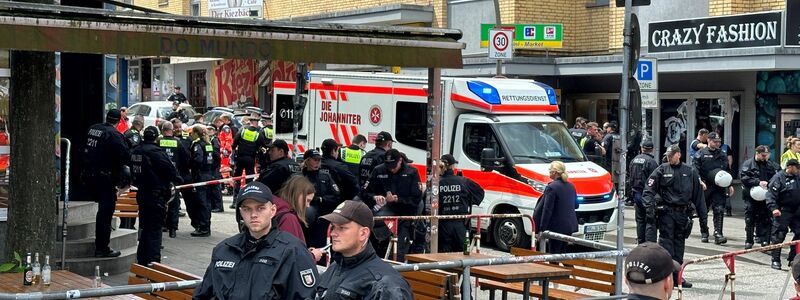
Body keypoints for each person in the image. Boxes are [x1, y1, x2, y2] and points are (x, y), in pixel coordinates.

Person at [194, 181, 319, 299]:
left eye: (260, 208)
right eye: (247, 209)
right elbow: (202, 294)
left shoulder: (293, 251)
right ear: (241, 212)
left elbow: (305, 296)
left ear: (273, 210)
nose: (253, 215)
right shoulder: (224, 250)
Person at [314, 200, 413, 299]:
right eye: (333, 227)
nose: (333, 233)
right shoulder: (335, 267)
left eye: (341, 228)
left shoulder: (386, 285)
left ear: (363, 233)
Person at [642, 144, 706, 288]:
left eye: (671, 155)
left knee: (679, 247)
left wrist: (704, 222)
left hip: (683, 214)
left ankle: (677, 277)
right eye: (668, 155)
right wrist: (650, 207)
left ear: (679, 154)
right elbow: (648, 190)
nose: (669, 158)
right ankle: (665, 276)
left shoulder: (690, 171)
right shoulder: (662, 169)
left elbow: (698, 197)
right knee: (666, 246)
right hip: (666, 214)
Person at [130, 126, 181, 265]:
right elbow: (170, 171)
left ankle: (142, 260)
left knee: (145, 228)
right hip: (155, 195)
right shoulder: (156, 152)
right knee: (154, 230)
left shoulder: (136, 150)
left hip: (142, 193)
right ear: (156, 137)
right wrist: (177, 179)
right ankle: (153, 262)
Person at [83, 109, 130, 258]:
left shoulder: (94, 129)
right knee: (105, 213)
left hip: (90, 175)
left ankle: (102, 246)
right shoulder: (114, 135)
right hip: (104, 178)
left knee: (103, 211)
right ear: (119, 121)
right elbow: (124, 156)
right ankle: (102, 247)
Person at [361, 149, 422, 261]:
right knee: (370, 227)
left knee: (400, 247)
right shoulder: (378, 170)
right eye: (388, 166)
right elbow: (364, 192)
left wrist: (398, 199)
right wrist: (374, 197)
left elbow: (416, 199)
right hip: (383, 211)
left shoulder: (411, 172)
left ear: (400, 161)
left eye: (393, 166)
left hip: (404, 213)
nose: (391, 169)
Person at [437, 154, 484, 253]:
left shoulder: (436, 183)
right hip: (460, 224)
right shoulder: (464, 181)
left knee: (443, 256)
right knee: (462, 254)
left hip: (443, 224)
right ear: (453, 166)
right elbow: (480, 193)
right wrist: (467, 200)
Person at [693, 132, 733, 244]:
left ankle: (718, 234)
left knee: (719, 209)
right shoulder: (701, 153)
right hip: (705, 186)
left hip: (719, 187)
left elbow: (726, 170)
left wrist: (729, 184)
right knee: (703, 210)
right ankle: (704, 232)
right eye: (715, 142)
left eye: (719, 142)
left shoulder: (722, 154)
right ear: (709, 141)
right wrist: (699, 181)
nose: (717, 144)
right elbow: (695, 169)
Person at [533, 161, 578, 254]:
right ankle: (568, 268)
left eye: (550, 170)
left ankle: (556, 268)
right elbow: (576, 205)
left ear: (554, 172)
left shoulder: (552, 187)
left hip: (556, 227)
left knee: (554, 255)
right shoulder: (571, 186)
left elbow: (547, 210)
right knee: (563, 253)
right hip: (569, 226)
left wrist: (542, 229)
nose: (549, 172)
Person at [740, 145, 780, 249]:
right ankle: (749, 240)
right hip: (751, 195)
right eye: (763, 155)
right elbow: (744, 178)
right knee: (750, 218)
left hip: (766, 196)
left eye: (767, 155)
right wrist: (758, 182)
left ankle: (765, 241)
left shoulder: (771, 165)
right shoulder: (748, 164)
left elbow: (778, 176)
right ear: (757, 153)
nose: (765, 158)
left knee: (766, 218)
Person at [302, 148, 342, 249]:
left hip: (322, 219)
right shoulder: (300, 177)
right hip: (305, 219)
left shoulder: (325, 176)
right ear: (307, 161)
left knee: (321, 247)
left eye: (319, 160)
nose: (317, 162)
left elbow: (336, 196)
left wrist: (321, 199)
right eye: (314, 160)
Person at [159, 121, 190, 238]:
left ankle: (162, 225)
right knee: (174, 202)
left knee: (161, 201)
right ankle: (173, 229)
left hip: (160, 176)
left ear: (162, 130)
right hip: (173, 175)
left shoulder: (158, 141)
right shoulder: (178, 142)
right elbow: (185, 158)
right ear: (171, 130)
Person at [767, 159, 800, 270]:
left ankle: (793, 258)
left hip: (797, 210)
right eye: (797, 168)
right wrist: (774, 208)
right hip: (783, 210)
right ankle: (775, 260)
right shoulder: (778, 178)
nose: (798, 170)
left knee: (799, 234)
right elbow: (770, 195)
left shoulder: (798, 177)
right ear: (790, 167)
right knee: (779, 235)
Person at [628, 140, 659, 244]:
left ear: (642, 148)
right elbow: (655, 180)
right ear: (652, 149)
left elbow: (630, 177)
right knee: (650, 220)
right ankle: (650, 244)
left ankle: (641, 243)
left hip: (636, 193)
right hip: (647, 194)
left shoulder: (634, 160)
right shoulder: (652, 162)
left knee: (640, 220)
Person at [187, 125, 215, 237]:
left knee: (201, 202)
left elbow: (198, 159)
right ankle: (206, 226)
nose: (191, 135)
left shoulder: (197, 145)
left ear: (195, 133)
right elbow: (215, 158)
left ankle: (203, 228)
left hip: (200, 176)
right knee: (207, 203)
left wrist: (193, 168)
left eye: (192, 133)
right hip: (209, 174)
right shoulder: (208, 144)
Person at [230, 117, 267, 202]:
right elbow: (262, 145)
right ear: (256, 123)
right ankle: (248, 198)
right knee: (249, 179)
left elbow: (235, 142)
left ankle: (235, 200)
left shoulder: (242, 130)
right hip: (250, 159)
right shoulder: (258, 133)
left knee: (237, 178)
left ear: (250, 122)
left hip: (240, 158)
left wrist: (233, 153)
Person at [275, 176, 316, 246]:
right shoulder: (288, 218)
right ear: (298, 194)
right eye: (308, 200)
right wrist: (312, 255)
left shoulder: (276, 208)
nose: (308, 206)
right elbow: (291, 252)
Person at [206, 126, 224, 213]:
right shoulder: (211, 140)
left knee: (216, 187)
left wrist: (214, 164)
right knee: (213, 186)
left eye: (210, 129)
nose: (208, 131)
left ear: (214, 131)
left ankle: (218, 206)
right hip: (213, 166)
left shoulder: (214, 140)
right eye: (207, 129)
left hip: (214, 166)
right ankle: (215, 205)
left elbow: (216, 154)